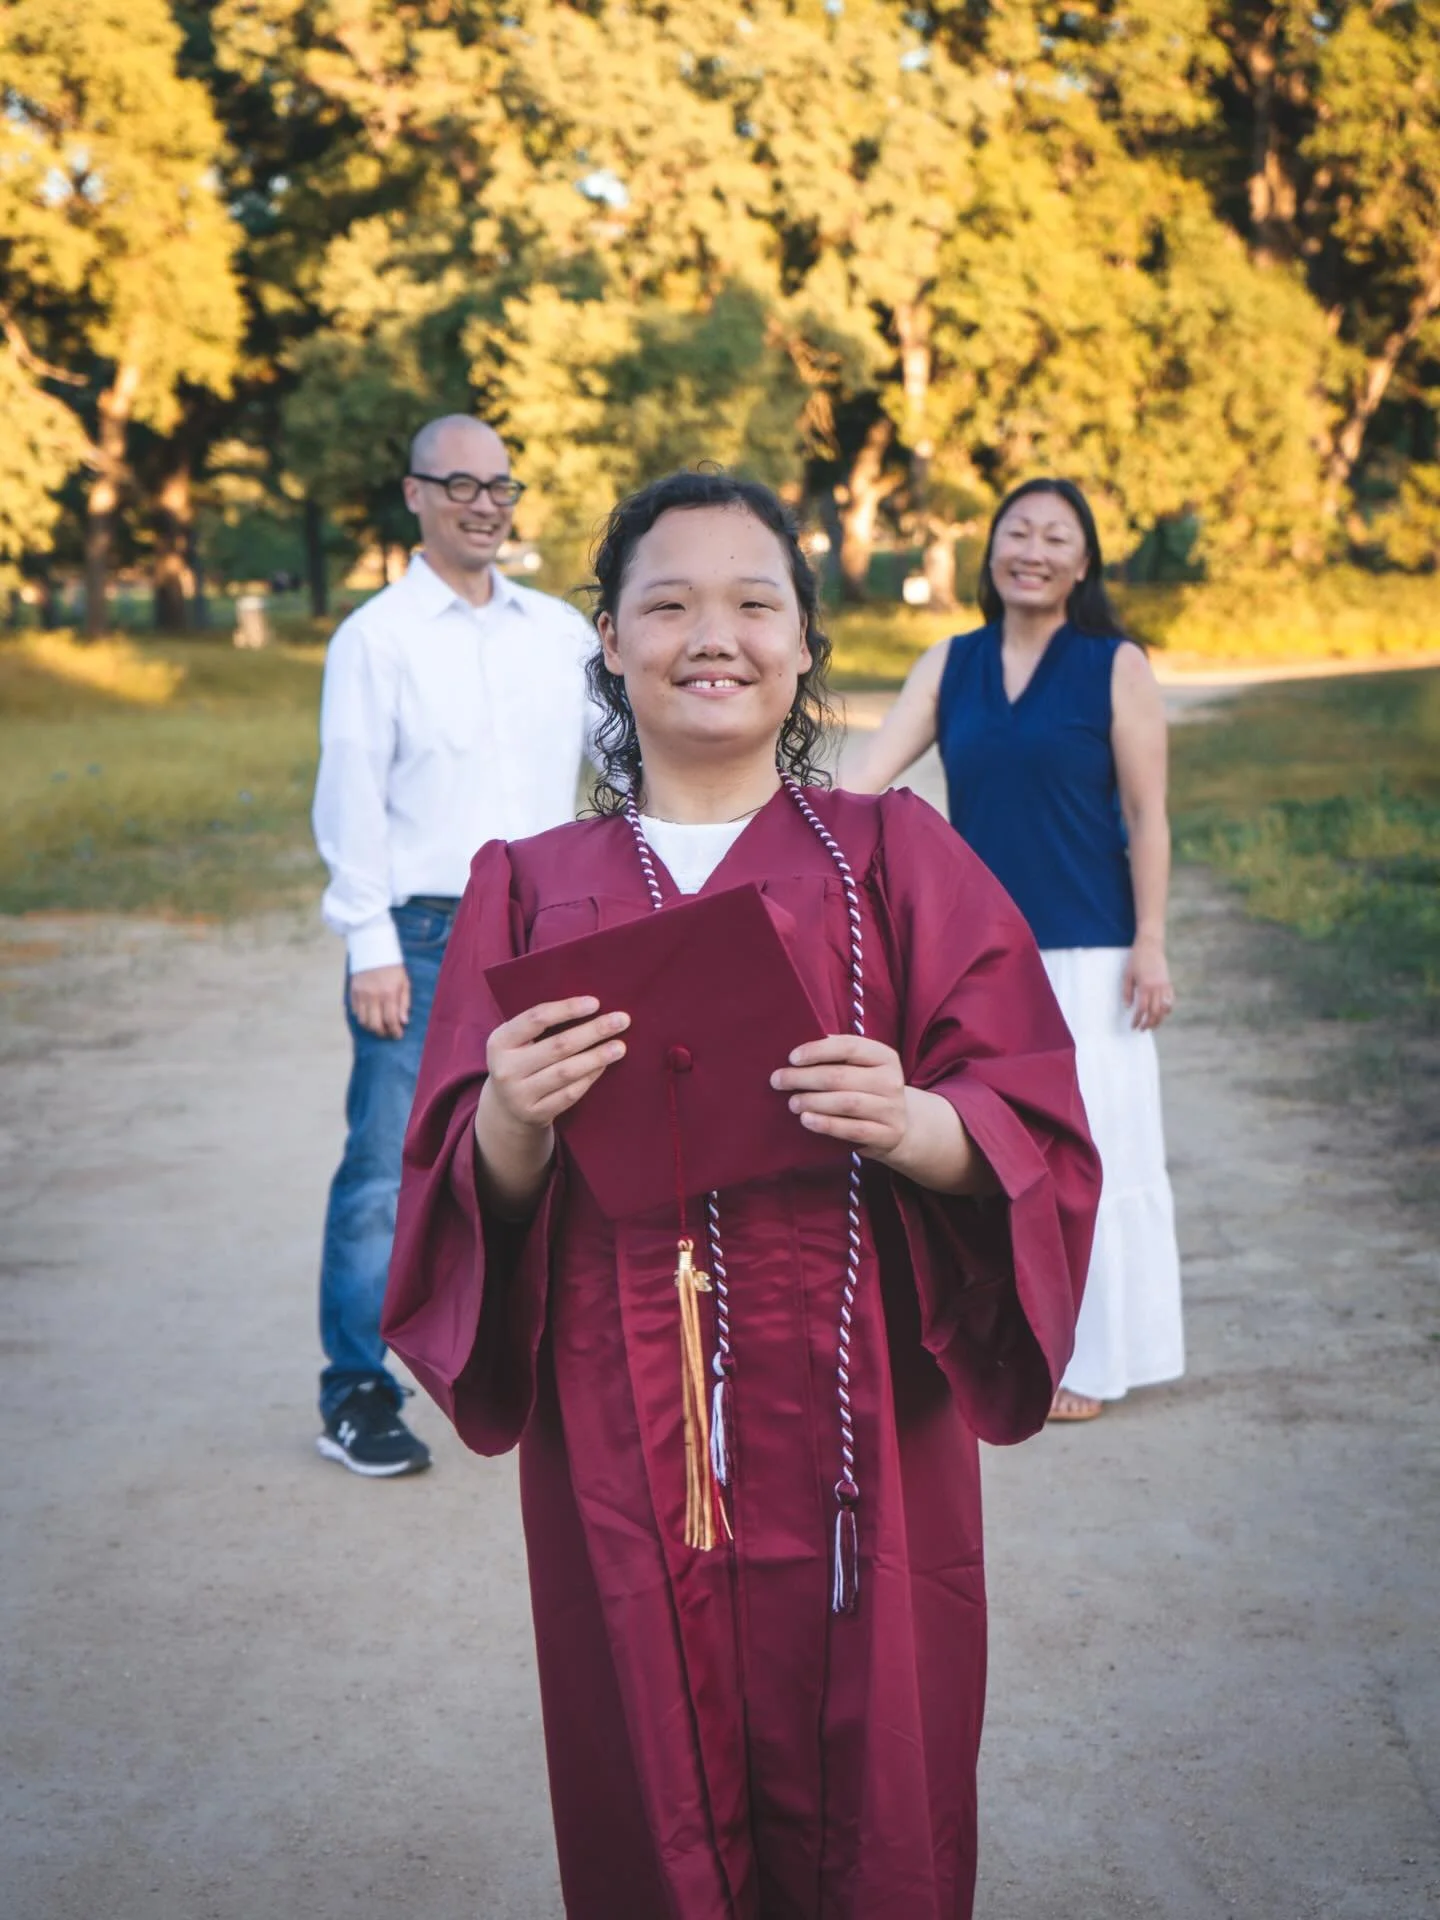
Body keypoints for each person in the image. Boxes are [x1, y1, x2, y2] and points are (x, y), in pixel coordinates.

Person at [381, 470, 1101, 1916]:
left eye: (754, 602)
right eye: (668, 604)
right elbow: (460, 1191)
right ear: (608, 641)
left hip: (861, 1418)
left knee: (876, 1789)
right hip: (625, 1420)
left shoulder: (898, 857)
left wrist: (917, 1124)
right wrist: (512, 1119)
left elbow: (1032, 1117)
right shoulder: (525, 886)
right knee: (649, 1761)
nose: (713, 634)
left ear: (803, 639)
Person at [843, 476, 1184, 1421]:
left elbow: (1149, 816)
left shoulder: (1115, 665)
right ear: (990, 548)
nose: (1032, 550)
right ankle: (1004, 1347)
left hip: (1092, 948)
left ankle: (1093, 1361)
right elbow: (866, 780)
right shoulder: (950, 663)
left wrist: (1151, 941)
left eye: (1055, 537)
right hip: (980, 960)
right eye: (1017, 531)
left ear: (1084, 563)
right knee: (989, 1154)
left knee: (1097, 1152)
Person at [310, 414, 594, 1476]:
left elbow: (620, 752)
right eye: (461, 484)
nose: (485, 504)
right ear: (415, 494)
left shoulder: (558, 631)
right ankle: (358, 1391)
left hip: (548, 930)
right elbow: (351, 793)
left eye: (501, 486)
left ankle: (543, 1360)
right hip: (423, 937)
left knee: (555, 1150)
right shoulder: (375, 637)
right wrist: (368, 941)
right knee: (388, 1164)